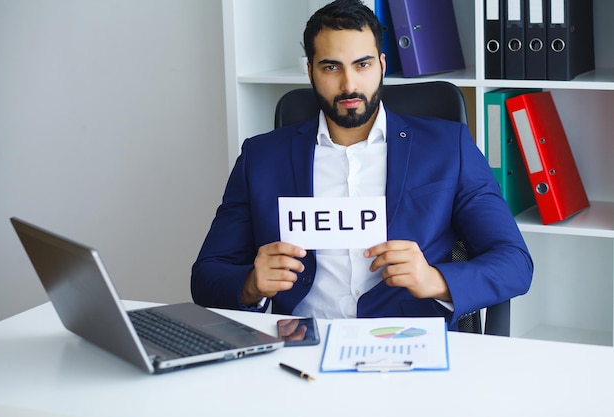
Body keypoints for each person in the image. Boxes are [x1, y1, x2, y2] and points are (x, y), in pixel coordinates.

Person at [191, 0, 532, 330]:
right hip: (303, 340)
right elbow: (206, 275)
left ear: (382, 65)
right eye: (331, 67)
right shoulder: (261, 157)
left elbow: (514, 263)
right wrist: (251, 284)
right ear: (309, 71)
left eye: (362, 64)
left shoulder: (448, 147)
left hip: (407, 339)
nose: (349, 84)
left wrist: (436, 280)